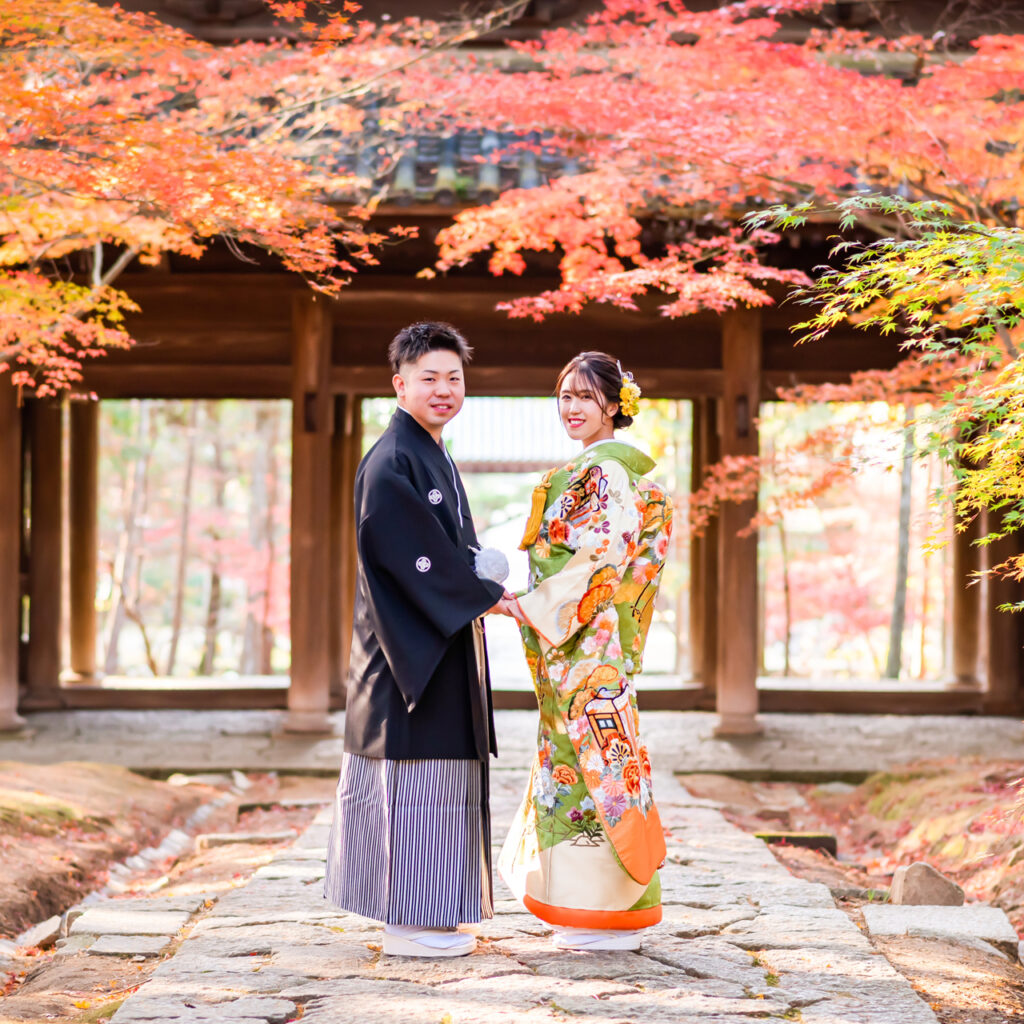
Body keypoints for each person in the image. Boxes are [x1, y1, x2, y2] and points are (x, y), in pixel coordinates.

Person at [324, 321, 513, 958]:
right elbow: (411, 556)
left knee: (440, 784)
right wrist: (481, 594)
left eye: (454, 378)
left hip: (436, 645)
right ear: (399, 383)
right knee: (416, 784)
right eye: (428, 378)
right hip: (407, 659)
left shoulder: (429, 451)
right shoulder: (392, 459)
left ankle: (433, 911)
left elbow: (450, 551)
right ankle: (409, 920)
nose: (443, 390)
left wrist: (481, 585)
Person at [499, 351, 673, 952]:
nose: (571, 407)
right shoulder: (612, 473)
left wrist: (530, 604)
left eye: (584, 396)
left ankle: (596, 914)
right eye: (564, 395)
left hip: (582, 648)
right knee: (596, 765)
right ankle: (588, 910)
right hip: (591, 646)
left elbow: (599, 562)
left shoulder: (605, 473)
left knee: (592, 770)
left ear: (614, 406)